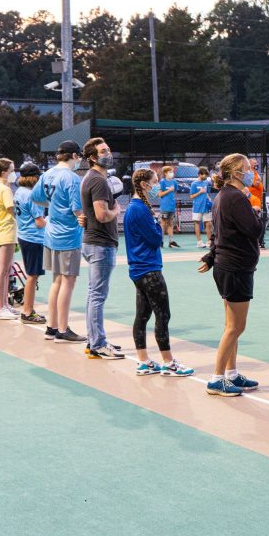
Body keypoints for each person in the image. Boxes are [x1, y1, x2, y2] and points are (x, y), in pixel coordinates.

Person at [198, 153, 263, 397]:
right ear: (236, 173)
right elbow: (255, 229)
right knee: (236, 326)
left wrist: (210, 257)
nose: (251, 173)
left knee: (231, 325)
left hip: (230, 266)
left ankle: (231, 373)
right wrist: (255, 208)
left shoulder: (223, 196)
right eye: (247, 168)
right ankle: (216, 379)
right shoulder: (236, 198)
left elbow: (218, 235)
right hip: (235, 267)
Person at [126, 168, 194, 377]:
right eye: (155, 182)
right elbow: (156, 239)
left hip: (139, 269)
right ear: (145, 185)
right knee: (162, 315)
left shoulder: (135, 207)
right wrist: (158, 223)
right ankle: (168, 362)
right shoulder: (140, 210)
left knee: (143, 315)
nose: (158, 186)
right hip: (149, 270)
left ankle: (144, 361)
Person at [31, 140, 86, 343]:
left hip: (51, 233)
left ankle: (52, 327)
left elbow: (36, 197)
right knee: (68, 282)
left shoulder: (48, 174)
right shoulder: (71, 177)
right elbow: (76, 208)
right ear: (74, 156)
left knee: (57, 280)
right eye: (79, 156)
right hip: (68, 235)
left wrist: (54, 205)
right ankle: (63, 329)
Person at [79, 137, 123, 358]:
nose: (108, 153)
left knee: (93, 295)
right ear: (93, 157)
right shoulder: (97, 181)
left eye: (108, 149)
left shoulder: (93, 178)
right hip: (100, 244)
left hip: (94, 242)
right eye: (103, 151)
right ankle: (97, 344)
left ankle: (94, 340)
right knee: (97, 296)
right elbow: (102, 214)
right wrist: (116, 211)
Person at [14, 162, 47, 324]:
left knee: (32, 275)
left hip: (24, 236)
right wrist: (54, 221)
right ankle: (27, 311)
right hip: (33, 238)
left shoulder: (19, 191)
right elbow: (40, 222)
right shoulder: (32, 195)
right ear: (33, 178)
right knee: (32, 276)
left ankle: (28, 310)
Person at [0, 158, 19, 320]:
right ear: (3, 172)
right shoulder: (4, 189)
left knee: (7, 271)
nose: (14, 174)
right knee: (3, 270)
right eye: (12, 170)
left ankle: (5, 304)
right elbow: (11, 209)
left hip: (2, 229)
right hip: (6, 230)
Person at [190, 167, 213, 248]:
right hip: (197, 207)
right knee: (197, 223)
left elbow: (206, 193)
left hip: (206, 206)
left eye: (206, 175)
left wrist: (208, 198)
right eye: (204, 175)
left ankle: (209, 241)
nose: (206, 176)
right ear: (199, 174)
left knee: (209, 223)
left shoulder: (206, 183)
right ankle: (199, 242)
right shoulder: (194, 184)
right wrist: (200, 192)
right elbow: (191, 196)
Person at [158, 165, 179, 248]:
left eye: (172, 172)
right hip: (165, 206)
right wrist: (168, 190)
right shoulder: (162, 182)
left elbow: (175, 193)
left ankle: (171, 241)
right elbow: (160, 194)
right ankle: (161, 241)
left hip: (171, 206)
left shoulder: (174, 182)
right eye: (170, 172)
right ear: (165, 173)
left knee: (170, 223)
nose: (172, 173)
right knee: (163, 224)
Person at [248, 158, 266, 249]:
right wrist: (258, 181)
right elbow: (254, 184)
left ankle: (258, 241)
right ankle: (255, 242)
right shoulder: (250, 174)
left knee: (258, 221)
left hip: (258, 200)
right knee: (254, 222)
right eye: (254, 163)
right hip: (252, 201)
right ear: (250, 164)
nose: (256, 164)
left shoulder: (255, 173)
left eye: (256, 163)